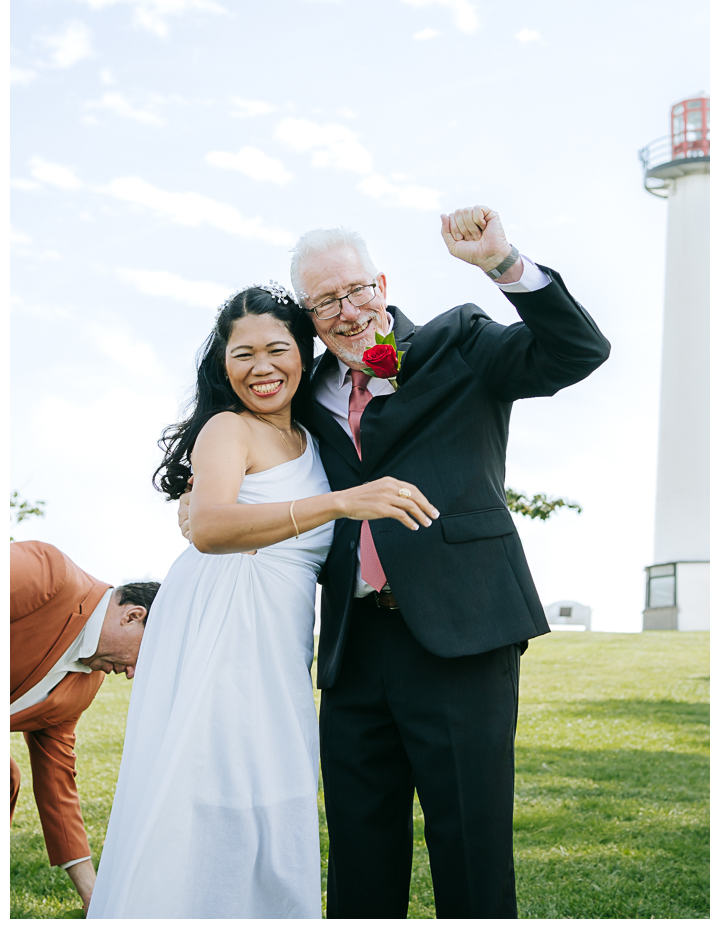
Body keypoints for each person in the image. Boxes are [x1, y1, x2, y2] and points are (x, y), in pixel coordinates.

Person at [180, 204, 610, 918]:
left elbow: (577, 352)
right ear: (309, 314)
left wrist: (503, 263)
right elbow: (243, 455)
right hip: (353, 649)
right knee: (359, 853)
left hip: (464, 631)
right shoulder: (302, 392)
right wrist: (192, 501)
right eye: (325, 302)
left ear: (380, 282)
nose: (347, 313)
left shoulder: (459, 343)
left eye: (355, 291)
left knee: (470, 847)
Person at [88, 285, 437, 919]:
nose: (261, 367)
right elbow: (212, 528)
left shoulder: (314, 435)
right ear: (224, 365)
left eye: (277, 349)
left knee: (273, 789)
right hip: (222, 620)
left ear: (303, 355)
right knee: (210, 780)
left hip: (279, 636)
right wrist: (337, 503)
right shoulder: (229, 428)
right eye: (243, 353)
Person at [10, 539, 160, 915]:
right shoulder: (49, 572)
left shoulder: (86, 685)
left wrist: (92, 893)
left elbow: (58, 783)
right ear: (132, 616)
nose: (131, 674)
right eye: (144, 657)